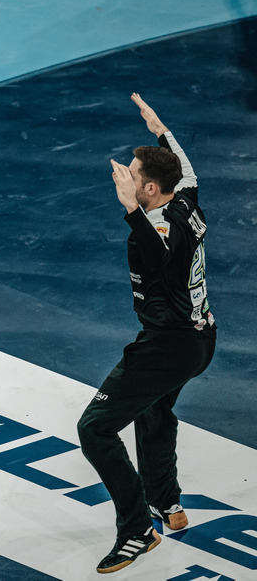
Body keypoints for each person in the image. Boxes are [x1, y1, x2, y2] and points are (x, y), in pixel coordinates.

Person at [77, 93, 216, 574]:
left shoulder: (160, 230)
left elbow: (159, 257)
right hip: (199, 340)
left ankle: (137, 530)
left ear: (152, 189)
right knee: (153, 409)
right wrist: (160, 130)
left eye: (133, 177)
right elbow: (187, 168)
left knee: (94, 430)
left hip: (168, 347)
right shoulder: (186, 199)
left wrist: (129, 210)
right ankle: (167, 503)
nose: (124, 178)